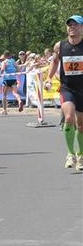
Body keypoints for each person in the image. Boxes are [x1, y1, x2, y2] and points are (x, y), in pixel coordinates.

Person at [47, 15, 83, 170]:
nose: (71, 27)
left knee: (81, 125)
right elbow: (55, 62)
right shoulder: (59, 46)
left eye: (75, 25)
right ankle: (70, 154)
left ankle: (80, 156)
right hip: (67, 87)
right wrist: (49, 78)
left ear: (81, 27)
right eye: (69, 25)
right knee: (68, 117)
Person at [0, 51, 24, 115]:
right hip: (13, 79)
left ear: (4, 56)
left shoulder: (4, 62)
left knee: (4, 95)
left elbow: (2, 69)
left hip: (6, 79)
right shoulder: (13, 61)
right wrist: (17, 72)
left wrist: (0, 75)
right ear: (10, 55)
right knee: (15, 93)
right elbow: (18, 68)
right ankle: (19, 101)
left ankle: (4, 110)